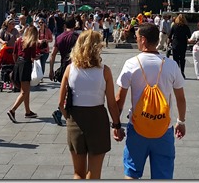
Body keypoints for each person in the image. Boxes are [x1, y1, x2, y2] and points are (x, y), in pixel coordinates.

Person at [115, 23, 186, 180]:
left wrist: (116, 125)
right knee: (163, 175)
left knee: (132, 174)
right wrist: (180, 121)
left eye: (138, 37)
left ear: (144, 40)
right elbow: (180, 98)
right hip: (163, 128)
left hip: (137, 127)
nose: (136, 39)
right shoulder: (171, 65)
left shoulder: (131, 63)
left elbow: (119, 98)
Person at [58, 30, 122, 179]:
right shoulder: (104, 71)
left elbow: (61, 103)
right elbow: (111, 104)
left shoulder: (70, 69)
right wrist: (117, 125)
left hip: (75, 119)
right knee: (94, 173)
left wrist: (69, 117)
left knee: (78, 172)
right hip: (98, 119)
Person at [50, 17, 81, 125]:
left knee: (67, 91)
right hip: (75, 67)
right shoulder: (77, 37)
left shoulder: (59, 37)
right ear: (75, 26)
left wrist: (51, 70)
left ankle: (61, 111)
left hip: (64, 67)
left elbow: (53, 55)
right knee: (71, 92)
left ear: (64, 26)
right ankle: (60, 111)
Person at [6, 25, 40, 122]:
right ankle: (12, 110)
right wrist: (37, 57)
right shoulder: (32, 43)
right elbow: (33, 57)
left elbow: (14, 54)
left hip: (18, 64)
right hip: (26, 65)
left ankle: (28, 111)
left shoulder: (19, 40)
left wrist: (16, 62)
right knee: (24, 91)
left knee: (26, 89)